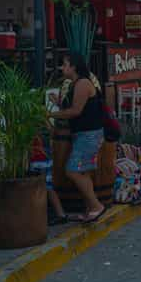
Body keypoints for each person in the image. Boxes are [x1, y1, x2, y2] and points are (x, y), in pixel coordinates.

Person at [49, 52, 106, 223]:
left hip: (89, 134)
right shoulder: (76, 83)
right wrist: (58, 104)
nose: (62, 67)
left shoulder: (82, 83)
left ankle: (96, 206)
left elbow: (75, 111)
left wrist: (51, 114)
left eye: (65, 64)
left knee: (72, 170)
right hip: (86, 133)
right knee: (83, 172)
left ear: (73, 66)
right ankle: (90, 207)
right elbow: (76, 106)